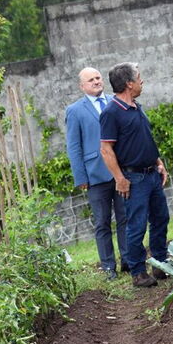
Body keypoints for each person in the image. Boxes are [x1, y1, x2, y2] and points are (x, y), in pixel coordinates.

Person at [99, 62, 170, 288]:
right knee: (136, 226)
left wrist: (159, 163)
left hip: (152, 174)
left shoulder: (137, 107)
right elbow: (106, 149)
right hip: (134, 179)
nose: (142, 81)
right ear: (129, 84)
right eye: (139, 78)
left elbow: (145, 139)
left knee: (161, 218)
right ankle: (138, 272)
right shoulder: (111, 112)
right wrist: (120, 179)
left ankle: (160, 263)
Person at [65, 67, 127, 279]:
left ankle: (128, 260)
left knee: (124, 217)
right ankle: (109, 267)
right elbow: (74, 146)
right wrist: (81, 177)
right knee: (102, 222)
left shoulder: (115, 101)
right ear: (82, 86)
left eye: (98, 78)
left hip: (120, 171)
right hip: (95, 175)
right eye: (90, 80)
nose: (96, 82)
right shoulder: (75, 110)